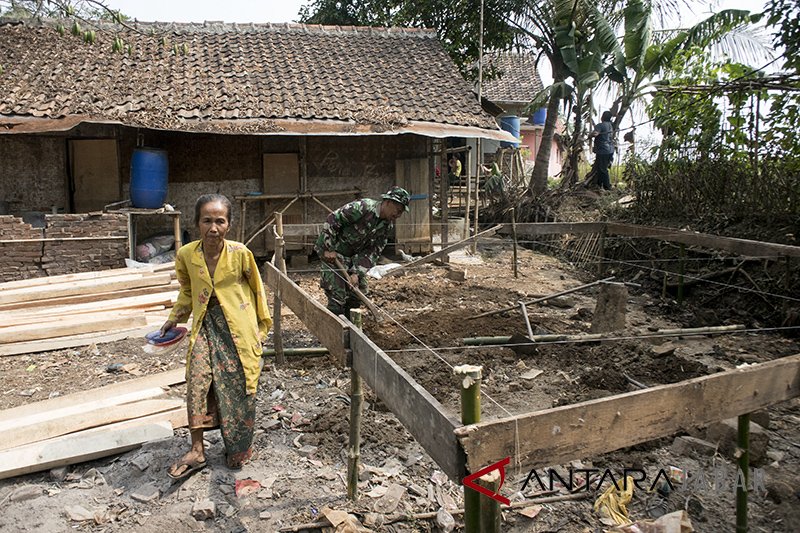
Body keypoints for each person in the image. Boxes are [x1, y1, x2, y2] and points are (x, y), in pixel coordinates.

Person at [160, 194, 272, 479]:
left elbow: (258, 290)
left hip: (238, 328)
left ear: (229, 225)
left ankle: (237, 450)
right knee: (196, 382)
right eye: (206, 220)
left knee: (238, 388)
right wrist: (174, 318)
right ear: (196, 223)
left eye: (219, 221)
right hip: (204, 327)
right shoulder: (186, 255)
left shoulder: (240, 254)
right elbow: (187, 291)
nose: (213, 227)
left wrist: (261, 329)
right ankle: (197, 450)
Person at [314, 186, 410, 316]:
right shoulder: (362, 208)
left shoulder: (386, 226)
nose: (398, 215)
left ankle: (351, 329)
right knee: (337, 297)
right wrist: (328, 248)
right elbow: (333, 219)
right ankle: (332, 330)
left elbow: (373, 252)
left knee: (357, 294)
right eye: (397, 210)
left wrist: (356, 273)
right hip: (334, 254)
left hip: (354, 259)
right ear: (388, 202)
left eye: (401, 213)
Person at [590, 110, 615, 190]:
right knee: (600, 168)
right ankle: (598, 184)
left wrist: (590, 135)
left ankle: (607, 187)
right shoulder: (610, 125)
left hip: (603, 150)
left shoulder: (600, 125)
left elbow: (595, 134)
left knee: (602, 169)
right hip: (610, 150)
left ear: (602, 117)